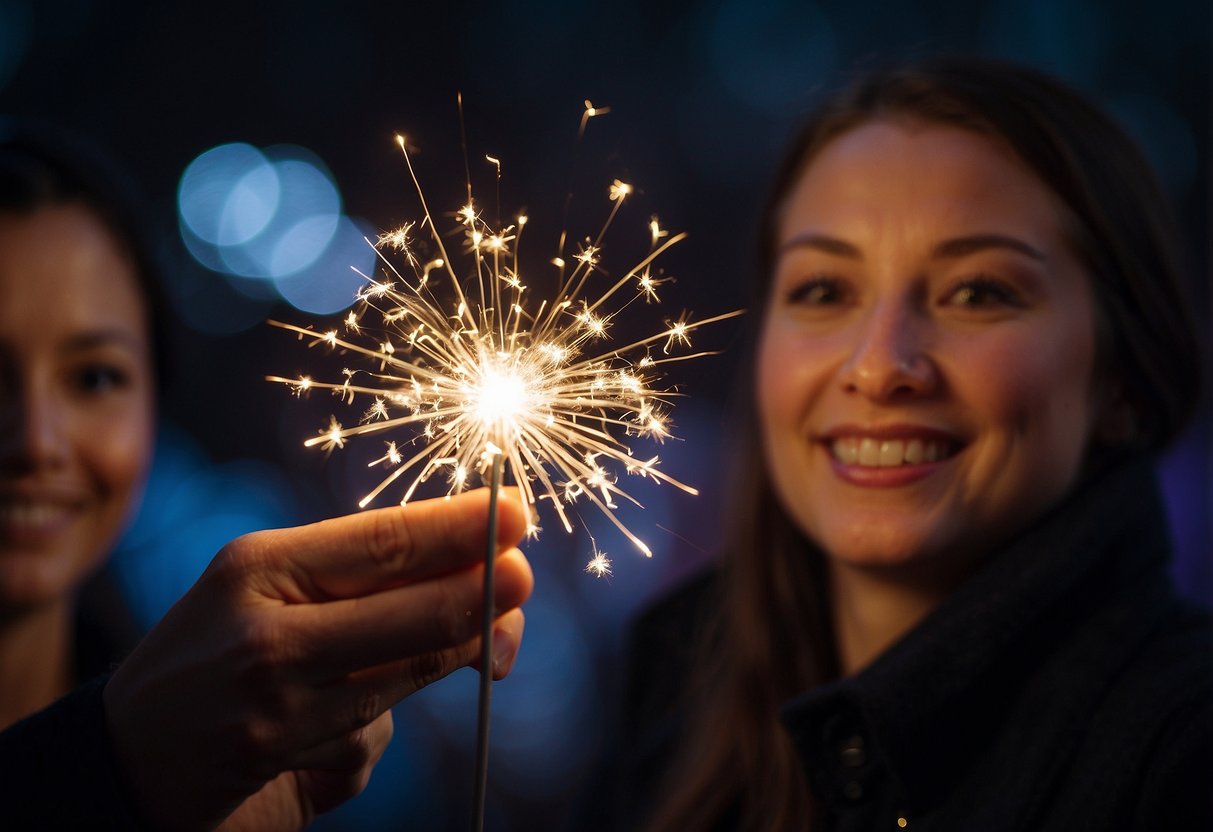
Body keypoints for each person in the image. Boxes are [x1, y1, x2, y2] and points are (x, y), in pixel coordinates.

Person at [592, 57, 1212, 830]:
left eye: (977, 292)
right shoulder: (670, 693)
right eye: (823, 290)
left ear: (1120, 378)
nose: (880, 366)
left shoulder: (1184, 755)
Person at [0, 123, 534, 829]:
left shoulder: (228, 750)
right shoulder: (156, 731)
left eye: (95, 377)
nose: (36, 440)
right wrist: (106, 773)